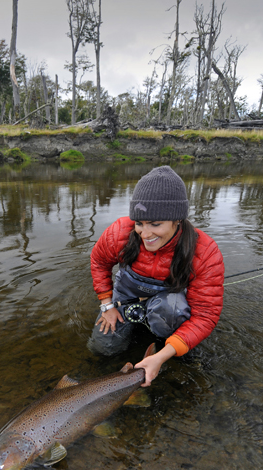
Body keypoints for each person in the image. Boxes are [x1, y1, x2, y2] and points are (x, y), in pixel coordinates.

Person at [89, 165, 224, 387]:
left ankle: (168, 342)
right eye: (139, 223)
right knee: (102, 349)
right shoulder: (119, 232)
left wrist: (161, 357)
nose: (145, 234)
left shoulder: (205, 252)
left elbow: (206, 316)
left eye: (155, 224)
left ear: (177, 220)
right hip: (125, 299)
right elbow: (99, 262)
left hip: (168, 305)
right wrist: (106, 305)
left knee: (171, 313)